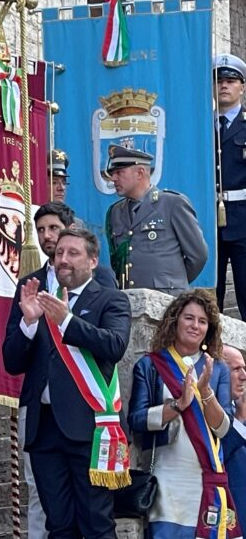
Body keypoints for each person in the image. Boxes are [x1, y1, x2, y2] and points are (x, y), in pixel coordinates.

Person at [3, 228, 131, 538]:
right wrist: (29, 323)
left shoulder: (110, 299)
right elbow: (11, 362)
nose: (63, 260)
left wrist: (67, 320)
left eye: (73, 253)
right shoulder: (36, 298)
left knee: (96, 524)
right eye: (60, 253)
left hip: (89, 429)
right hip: (45, 430)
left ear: (92, 261)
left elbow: (114, 345)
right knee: (58, 525)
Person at [128, 290, 240, 538]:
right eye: (189, 318)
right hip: (167, 478)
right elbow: (136, 420)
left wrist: (206, 393)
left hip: (205, 477)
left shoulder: (217, 367)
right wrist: (178, 404)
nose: (195, 325)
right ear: (175, 320)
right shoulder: (150, 365)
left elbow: (223, 429)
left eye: (202, 321)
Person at [105, 144, 207, 295]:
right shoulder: (115, 212)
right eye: (113, 173)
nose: (113, 178)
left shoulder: (172, 203)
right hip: (130, 299)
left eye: (119, 172)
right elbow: (117, 262)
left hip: (167, 300)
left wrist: (174, 282)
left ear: (140, 173)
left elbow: (198, 255)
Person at [214, 54, 246, 319]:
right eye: (219, 80)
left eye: (231, 80)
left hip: (243, 217)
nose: (224, 85)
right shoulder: (201, 125)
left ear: (242, 87)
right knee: (211, 295)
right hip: (208, 218)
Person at [222, 345, 246, 529]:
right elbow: (219, 455)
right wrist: (240, 418)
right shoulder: (212, 411)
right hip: (229, 516)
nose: (244, 375)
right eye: (236, 369)